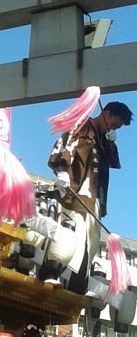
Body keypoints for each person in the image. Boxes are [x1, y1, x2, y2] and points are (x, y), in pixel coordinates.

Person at [48, 101, 133, 292]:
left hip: (94, 197)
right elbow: (64, 145)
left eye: (116, 128)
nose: (113, 128)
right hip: (75, 190)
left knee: (91, 242)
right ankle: (51, 271)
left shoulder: (104, 140)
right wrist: (62, 169)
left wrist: (111, 141)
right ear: (106, 113)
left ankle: (78, 284)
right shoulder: (82, 126)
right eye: (113, 124)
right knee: (70, 231)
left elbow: (114, 162)